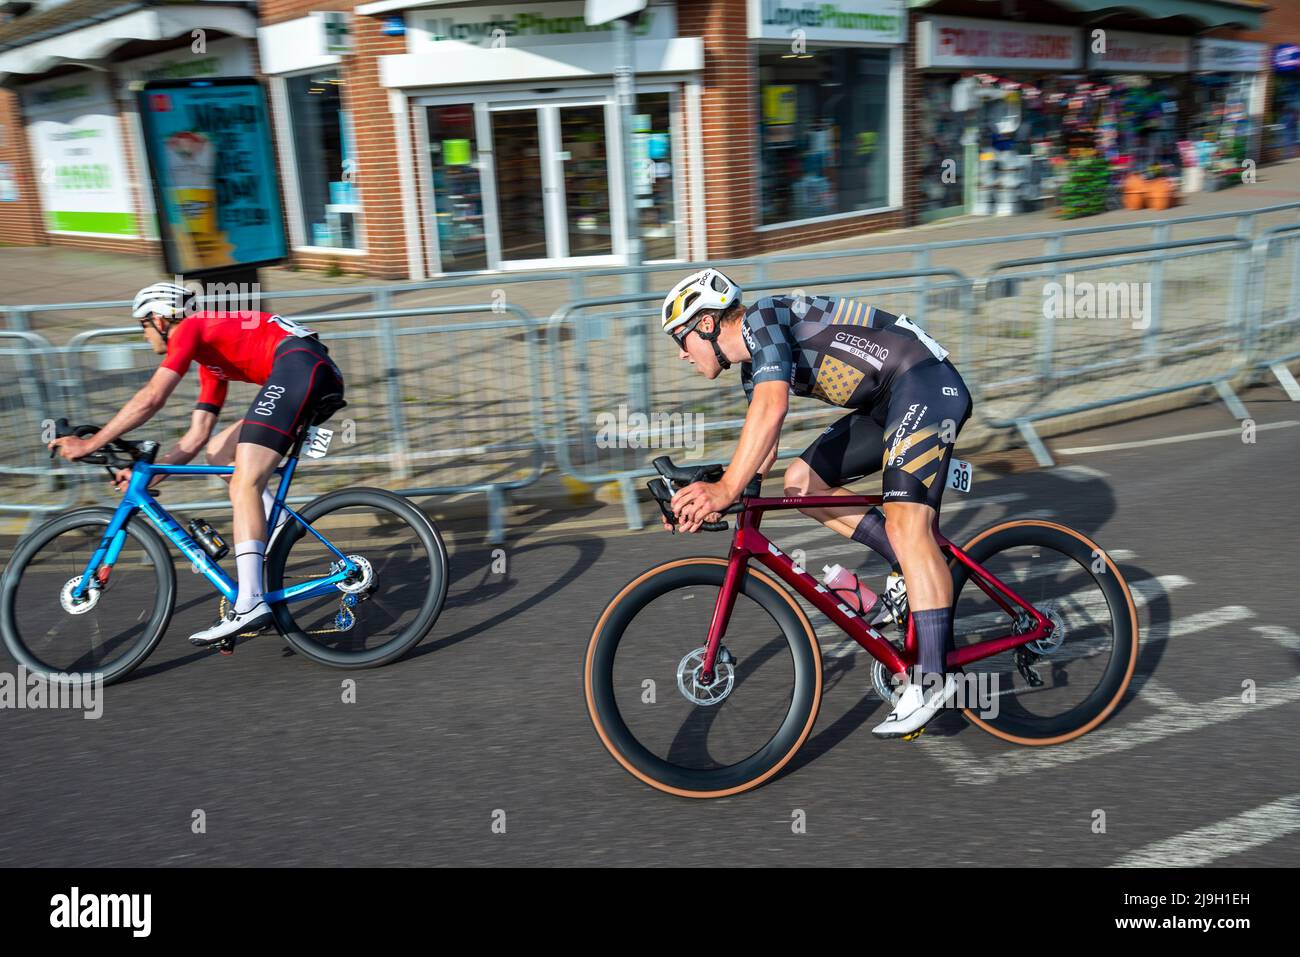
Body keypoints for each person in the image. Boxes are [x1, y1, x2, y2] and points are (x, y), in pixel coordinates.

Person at [660, 268, 973, 738]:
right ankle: (909, 572)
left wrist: (724, 490)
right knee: (801, 482)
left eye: (680, 340)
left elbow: (773, 409)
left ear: (706, 323)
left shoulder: (761, 319)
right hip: (887, 401)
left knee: (908, 523)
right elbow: (761, 446)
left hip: (925, 384)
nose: (682, 355)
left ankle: (932, 680)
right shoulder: (753, 365)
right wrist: (711, 500)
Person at [48, 281, 345, 646]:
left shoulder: (191, 327)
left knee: (245, 482)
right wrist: (152, 473)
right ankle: (277, 528)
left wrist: (90, 443)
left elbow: (152, 398)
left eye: (142, 325)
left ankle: (250, 602)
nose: (144, 337)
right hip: (307, 370)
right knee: (218, 453)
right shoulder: (211, 361)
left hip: (300, 368)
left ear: (158, 319)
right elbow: (195, 436)